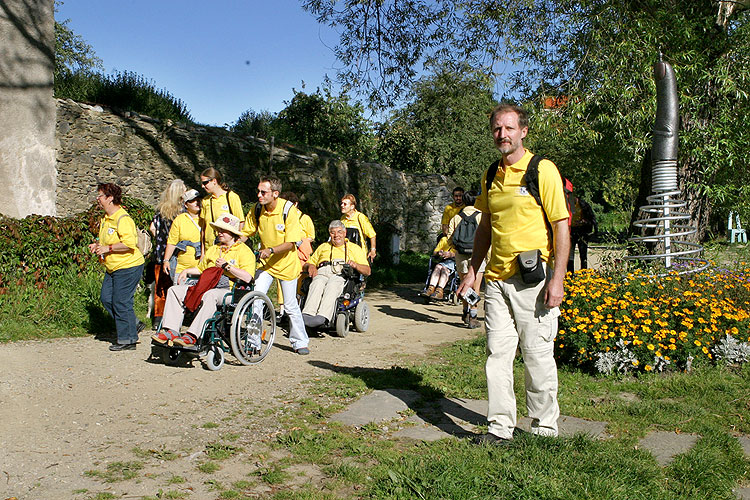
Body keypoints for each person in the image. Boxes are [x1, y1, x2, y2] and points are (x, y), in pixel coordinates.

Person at [458, 104, 570, 445]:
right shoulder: (491, 174)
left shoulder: (542, 170)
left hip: (533, 282)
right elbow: (485, 227)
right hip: (496, 281)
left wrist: (558, 279)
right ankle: (500, 428)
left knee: (536, 356)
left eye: (508, 128)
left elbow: (561, 226)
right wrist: (472, 272)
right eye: (496, 129)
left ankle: (543, 429)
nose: (502, 135)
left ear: (522, 131)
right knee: (497, 356)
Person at [153, 214, 256, 346]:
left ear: (233, 233)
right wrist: (187, 271)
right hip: (207, 286)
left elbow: (248, 277)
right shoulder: (214, 249)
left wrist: (227, 267)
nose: (219, 233)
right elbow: (201, 269)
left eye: (223, 230)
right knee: (174, 290)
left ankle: (192, 335)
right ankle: (171, 330)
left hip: (230, 290)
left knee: (210, 295)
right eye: (218, 230)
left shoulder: (244, 251)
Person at [242, 176, 310, 355]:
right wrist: (232, 244)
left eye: (263, 192)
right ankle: (253, 342)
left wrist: (271, 250)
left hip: (287, 265)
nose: (259, 195)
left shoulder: (289, 210)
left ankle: (300, 341)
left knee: (290, 305)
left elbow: (292, 243)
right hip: (266, 265)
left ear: (275, 194)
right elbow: (245, 233)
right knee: (255, 299)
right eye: (258, 191)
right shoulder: (257, 209)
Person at [88, 183, 146, 351]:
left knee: (121, 301)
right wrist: (98, 245)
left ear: (110, 198)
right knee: (106, 298)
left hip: (128, 266)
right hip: (113, 267)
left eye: (100, 196)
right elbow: (108, 240)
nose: (97, 199)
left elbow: (129, 243)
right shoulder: (106, 218)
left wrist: (108, 248)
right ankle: (132, 324)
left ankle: (128, 340)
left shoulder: (123, 218)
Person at [301, 220, 371, 328]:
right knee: (317, 283)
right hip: (322, 271)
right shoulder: (323, 247)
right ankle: (307, 314)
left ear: (344, 233)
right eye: (333, 232)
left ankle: (323, 316)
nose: (336, 235)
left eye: (339, 232)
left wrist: (356, 265)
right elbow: (308, 263)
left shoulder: (355, 248)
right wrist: (310, 266)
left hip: (341, 273)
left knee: (332, 285)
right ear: (330, 234)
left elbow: (367, 270)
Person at [149, 179, 186, 327]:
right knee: (177, 286)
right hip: (178, 253)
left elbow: (153, 229)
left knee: (161, 288)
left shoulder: (160, 210)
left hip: (161, 253)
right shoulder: (183, 211)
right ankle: (176, 318)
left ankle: (158, 318)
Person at [447, 191, 486, 328]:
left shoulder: (456, 217)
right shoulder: (481, 216)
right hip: (478, 255)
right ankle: (473, 316)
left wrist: (457, 249)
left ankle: (465, 312)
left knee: (464, 284)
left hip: (461, 255)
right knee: (475, 286)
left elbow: (450, 237)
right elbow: (487, 237)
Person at [276, 191, 316, 317]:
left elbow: (311, 237)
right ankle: (282, 309)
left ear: (296, 204)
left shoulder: (305, 218)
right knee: (281, 278)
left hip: (301, 253)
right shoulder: (281, 217)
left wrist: (299, 241)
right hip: (286, 252)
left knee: (300, 279)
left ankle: (298, 306)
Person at [199, 167, 244, 250]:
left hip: (227, 248)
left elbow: (240, 223)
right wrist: (202, 252)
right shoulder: (206, 201)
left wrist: (237, 244)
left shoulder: (231, 197)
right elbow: (203, 228)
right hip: (209, 249)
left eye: (205, 183)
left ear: (214, 181)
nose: (202, 186)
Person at [163, 188, 202, 282]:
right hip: (182, 268)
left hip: (201, 268)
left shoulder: (207, 218)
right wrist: (166, 260)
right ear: (186, 204)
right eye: (192, 201)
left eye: (198, 200)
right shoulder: (180, 220)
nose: (196, 203)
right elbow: (172, 242)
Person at [340, 194, 377, 262]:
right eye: (342, 203)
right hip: (345, 255)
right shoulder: (342, 219)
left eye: (345, 204)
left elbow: (372, 235)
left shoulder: (360, 217)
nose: (342, 205)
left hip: (359, 255)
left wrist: (373, 250)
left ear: (352, 206)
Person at [568, 195, 598, 272]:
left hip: (582, 232)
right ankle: (570, 274)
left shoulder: (584, 206)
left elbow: (591, 218)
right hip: (571, 232)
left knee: (583, 254)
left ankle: (584, 273)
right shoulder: (567, 205)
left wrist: (584, 222)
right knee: (570, 255)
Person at [423, 235, 455, 300]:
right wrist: (439, 253)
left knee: (444, 269)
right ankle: (431, 288)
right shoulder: (444, 239)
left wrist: (451, 254)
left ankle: (439, 290)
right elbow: (435, 252)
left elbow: (462, 254)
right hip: (443, 261)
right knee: (438, 267)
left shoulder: (460, 240)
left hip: (454, 261)